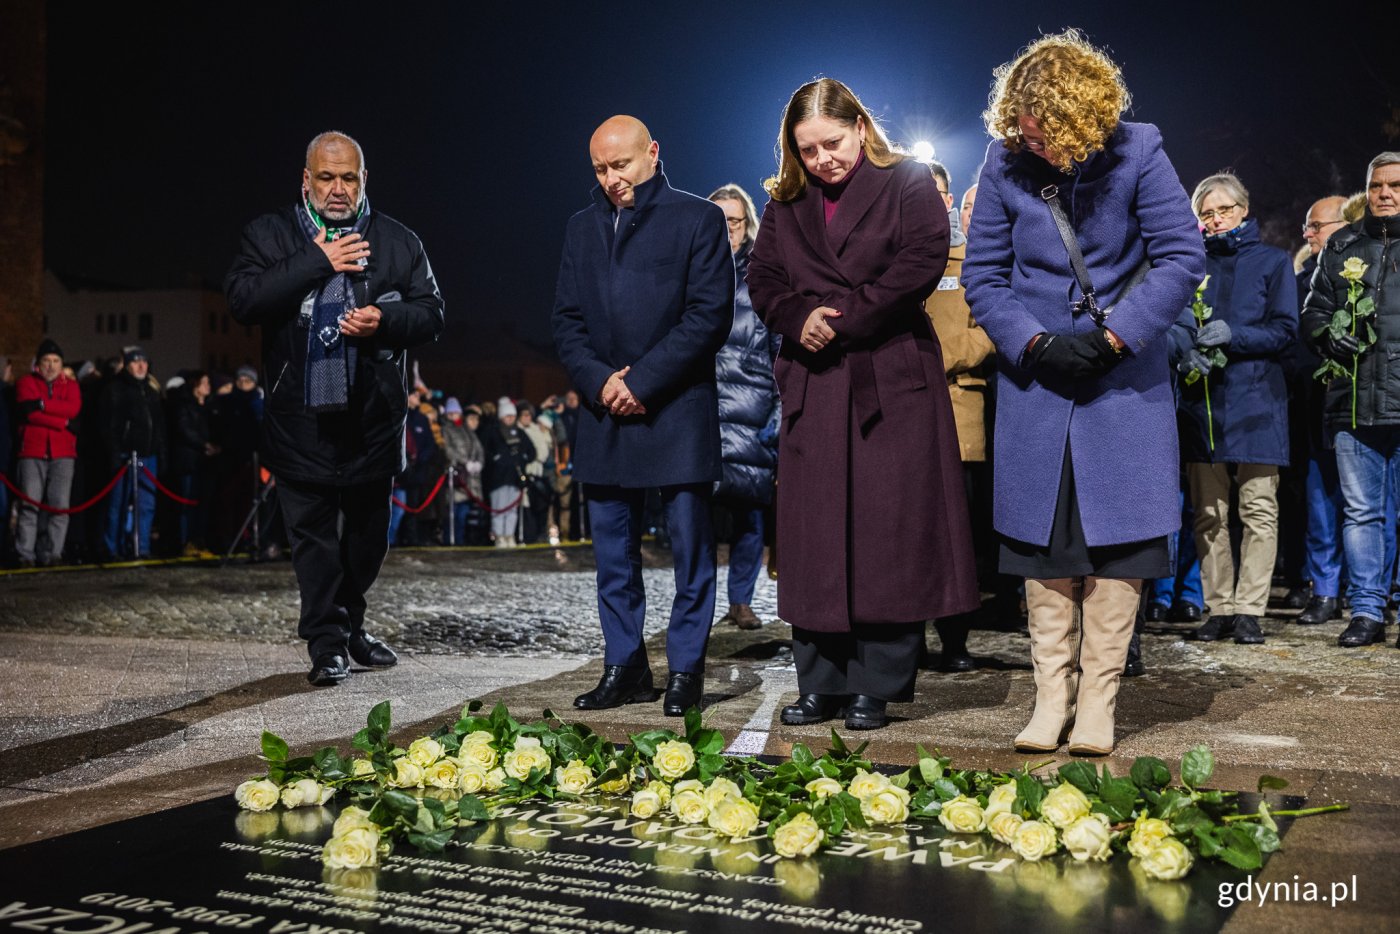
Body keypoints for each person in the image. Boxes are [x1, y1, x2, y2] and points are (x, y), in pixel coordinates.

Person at [963, 30, 1206, 755]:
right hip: (1038, 383)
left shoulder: (1140, 151)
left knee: (1122, 546)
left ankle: (1097, 705)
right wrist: (1033, 343)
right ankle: (1050, 699)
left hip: (1121, 383)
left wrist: (1113, 338)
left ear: (1076, 118)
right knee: (1046, 549)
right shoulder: (1004, 161)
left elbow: (1181, 254)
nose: (1025, 142)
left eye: (1039, 132)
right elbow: (983, 276)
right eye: (1018, 131)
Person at [748, 78, 979, 731]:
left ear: (860, 127)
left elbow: (921, 263)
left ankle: (875, 684)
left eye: (832, 142)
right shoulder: (786, 202)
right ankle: (819, 682)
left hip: (888, 376)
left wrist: (840, 318)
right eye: (808, 148)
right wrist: (798, 316)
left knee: (887, 536)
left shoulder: (907, 182)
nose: (823, 159)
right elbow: (762, 278)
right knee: (816, 535)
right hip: (815, 381)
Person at [225, 130, 445, 686]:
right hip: (301, 419)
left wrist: (386, 322)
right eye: (327, 177)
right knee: (314, 539)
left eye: (349, 177)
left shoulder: (398, 241)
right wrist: (316, 261)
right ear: (306, 180)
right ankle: (326, 641)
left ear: (364, 179)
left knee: (370, 538)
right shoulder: (269, 235)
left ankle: (349, 624)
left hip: (373, 419)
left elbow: (433, 313)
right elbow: (243, 300)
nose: (339, 188)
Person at [552, 115, 733, 716]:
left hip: (676, 410)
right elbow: (566, 322)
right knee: (612, 558)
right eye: (600, 169)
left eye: (621, 165)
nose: (611, 179)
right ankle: (624, 665)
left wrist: (644, 381)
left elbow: (709, 317)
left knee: (690, 552)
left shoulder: (697, 219)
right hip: (605, 414)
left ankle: (685, 671)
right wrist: (602, 383)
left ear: (652, 152)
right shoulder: (581, 228)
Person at [1172, 173, 1296, 645]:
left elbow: (1285, 330)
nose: (1216, 218)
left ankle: (1250, 608)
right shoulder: (1190, 265)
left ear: (1244, 210)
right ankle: (1219, 606)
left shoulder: (1272, 262)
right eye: (1206, 212)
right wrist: (1184, 349)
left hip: (1258, 400)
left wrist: (1234, 335)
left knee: (1259, 508)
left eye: (1223, 209)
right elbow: (1176, 323)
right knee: (1208, 512)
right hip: (1202, 403)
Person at [1301, 152, 1400, 648]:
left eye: (1396, 185)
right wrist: (1325, 334)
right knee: (1362, 513)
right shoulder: (1341, 244)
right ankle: (1367, 611)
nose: (1385, 193)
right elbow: (1313, 310)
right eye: (1377, 185)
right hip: (1353, 401)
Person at [922, 161, 995, 672]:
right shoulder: (890, 260)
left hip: (957, 413)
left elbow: (990, 328)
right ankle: (905, 640)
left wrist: (932, 356)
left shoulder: (970, 261)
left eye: (936, 193)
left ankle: (954, 640)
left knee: (957, 536)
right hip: (901, 415)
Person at [708, 182, 779, 633]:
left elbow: (780, 346)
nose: (727, 229)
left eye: (734, 221)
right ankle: (698, 602)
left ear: (747, 225)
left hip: (752, 413)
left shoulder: (764, 276)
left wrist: (777, 412)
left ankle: (741, 600)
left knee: (750, 517)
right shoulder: (689, 272)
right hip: (704, 412)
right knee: (698, 519)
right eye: (718, 221)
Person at [1292, 196, 1352, 626]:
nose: (1308, 234)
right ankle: (1325, 590)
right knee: (1320, 502)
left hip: (1361, 404)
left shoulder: (1367, 270)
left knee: (1367, 505)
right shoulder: (1303, 280)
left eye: (1316, 225)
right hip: (1315, 405)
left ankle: (1370, 590)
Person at [14, 338, 81, 568]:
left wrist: (42, 405)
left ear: (62, 364)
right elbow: (29, 414)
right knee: (29, 505)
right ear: (38, 363)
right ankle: (25, 554)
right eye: (46, 360)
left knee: (59, 507)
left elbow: (73, 409)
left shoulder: (71, 386)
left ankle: (53, 553)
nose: (51, 366)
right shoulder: (25, 382)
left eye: (56, 361)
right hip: (32, 452)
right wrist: (62, 422)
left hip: (63, 454)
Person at [101, 346, 165, 559]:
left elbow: (158, 426)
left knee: (146, 505)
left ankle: (142, 546)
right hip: (125, 456)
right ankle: (113, 547)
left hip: (148, 456)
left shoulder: (150, 390)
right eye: (136, 362)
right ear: (127, 365)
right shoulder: (116, 388)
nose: (141, 366)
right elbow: (110, 425)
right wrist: (114, 453)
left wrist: (160, 452)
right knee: (118, 504)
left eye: (144, 362)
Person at [481, 396, 533, 547]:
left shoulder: (519, 433)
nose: (510, 418)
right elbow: (485, 451)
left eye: (512, 416)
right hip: (498, 478)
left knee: (512, 510)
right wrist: (496, 459)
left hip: (514, 478)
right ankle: (499, 536)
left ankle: (509, 535)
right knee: (499, 508)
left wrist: (523, 458)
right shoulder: (493, 431)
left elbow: (531, 451)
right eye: (507, 415)